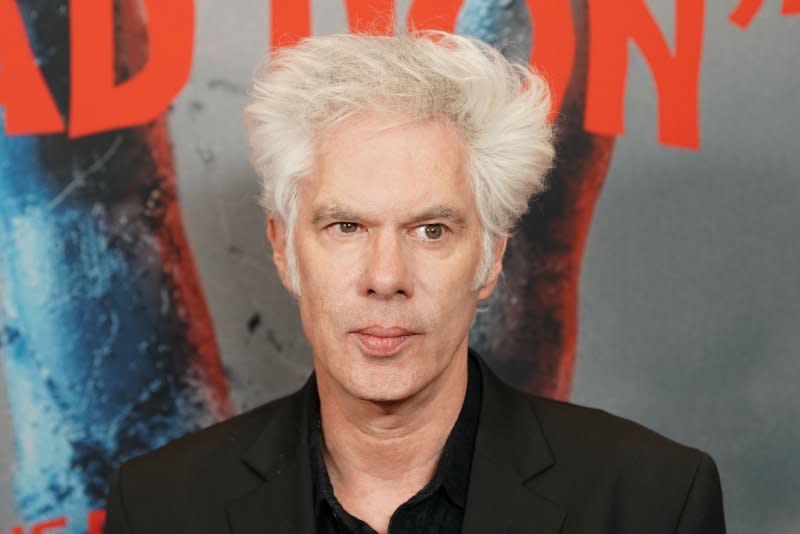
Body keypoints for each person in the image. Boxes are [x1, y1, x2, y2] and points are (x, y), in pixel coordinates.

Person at [103, 31, 726, 534]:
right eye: (346, 226)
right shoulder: (163, 508)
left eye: (431, 231)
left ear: (490, 257)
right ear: (284, 250)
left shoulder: (652, 502)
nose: (385, 278)